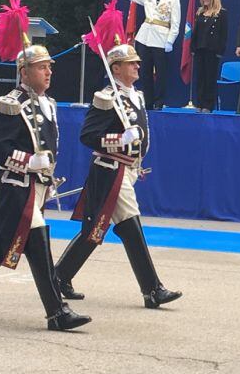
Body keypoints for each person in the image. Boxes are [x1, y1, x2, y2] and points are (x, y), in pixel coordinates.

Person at [0, 0, 90, 331]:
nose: (49, 72)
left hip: (38, 188)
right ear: (24, 71)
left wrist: (47, 170)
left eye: (50, 67)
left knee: (0, 245)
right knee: (39, 243)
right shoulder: (10, 105)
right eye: (42, 67)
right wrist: (29, 162)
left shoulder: (50, 104)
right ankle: (57, 312)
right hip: (16, 186)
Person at [56, 16, 182, 309]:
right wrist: (119, 140)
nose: (138, 66)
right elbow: (89, 136)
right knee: (130, 224)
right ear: (116, 69)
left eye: (138, 63)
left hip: (128, 170)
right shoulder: (106, 97)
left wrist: (136, 159)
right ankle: (153, 290)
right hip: (110, 170)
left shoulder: (136, 96)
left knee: (94, 229)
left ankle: (60, 275)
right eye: (132, 63)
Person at [125, 0, 180, 110]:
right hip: (144, 37)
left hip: (161, 38)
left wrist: (170, 40)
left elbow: (175, 23)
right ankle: (148, 101)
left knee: (160, 72)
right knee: (144, 71)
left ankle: (159, 102)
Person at [190, 0, 228, 113]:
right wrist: (193, 47)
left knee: (209, 78)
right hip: (200, 48)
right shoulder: (200, 12)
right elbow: (195, 32)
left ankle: (208, 105)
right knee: (200, 77)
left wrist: (220, 51)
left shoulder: (221, 13)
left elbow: (223, 34)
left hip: (212, 50)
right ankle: (199, 103)